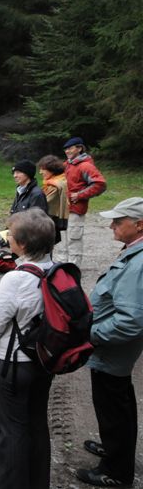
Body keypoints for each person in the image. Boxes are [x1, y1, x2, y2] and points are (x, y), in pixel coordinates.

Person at [0, 207, 56, 489]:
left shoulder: (16, 278)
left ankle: (5, 483)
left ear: (21, 244)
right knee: (36, 422)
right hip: (44, 359)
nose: (7, 237)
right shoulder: (56, 271)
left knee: (12, 428)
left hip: (14, 363)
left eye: (10, 234)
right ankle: (36, 482)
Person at [75, 198, 143, 488]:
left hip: (111, 351)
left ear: (139, 225)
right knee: (118, 403)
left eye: (118, 221)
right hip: (112, 352)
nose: (111, 225)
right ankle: (115, 448)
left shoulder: (139, 263)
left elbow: (131, 320)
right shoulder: (135, 251)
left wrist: (90, 334)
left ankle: (116, 471)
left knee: (113, 406)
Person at [63, 137, 106, 266]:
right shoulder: (67, 164)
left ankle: (73, 269)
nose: (67, 151)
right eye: (65, 149)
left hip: (76, 209)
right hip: (64, 208)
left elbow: (100, 184)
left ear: (79, 148)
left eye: (70, 148)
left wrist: (80, 195)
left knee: (73, 239)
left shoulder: (85, 165)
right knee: (64, 240)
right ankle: (63, 267)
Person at [38, 155, 69, 259]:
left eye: (43, 169)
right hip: (55, 220)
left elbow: (43, 202)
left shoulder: (54, 186)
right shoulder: (61, 180)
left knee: (44, 249)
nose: (40, 172)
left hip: (50, 219)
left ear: (52, 170)